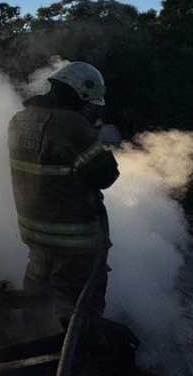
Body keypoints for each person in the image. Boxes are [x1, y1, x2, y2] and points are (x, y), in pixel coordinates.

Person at [8, 61, 119, 328]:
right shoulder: (72, 125)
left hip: (34, 232)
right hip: (73, 241)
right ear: (80, 92)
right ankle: (75, 346)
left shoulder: (19, 120)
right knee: (77, 304)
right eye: (88, 102)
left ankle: (33, 341)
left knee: (36, 296)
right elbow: (105, 176)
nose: (89, 109)